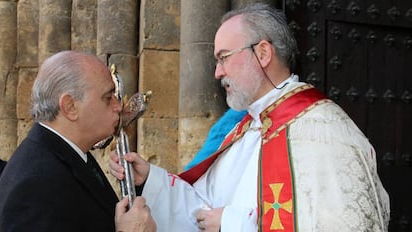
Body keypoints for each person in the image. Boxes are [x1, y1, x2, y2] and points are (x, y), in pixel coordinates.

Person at [110, 3, 390, 231]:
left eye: (224, 57)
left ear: (263, 52)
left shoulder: (322, 131)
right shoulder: (246, 129)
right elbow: (202, 209)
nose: (218, 72)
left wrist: (231, 224)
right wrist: (151, 179)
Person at [0, 50, 156, 232]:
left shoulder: (68, 153)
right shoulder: (36, 185)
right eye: (108, 97)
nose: (118, 106)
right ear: (70, 107)